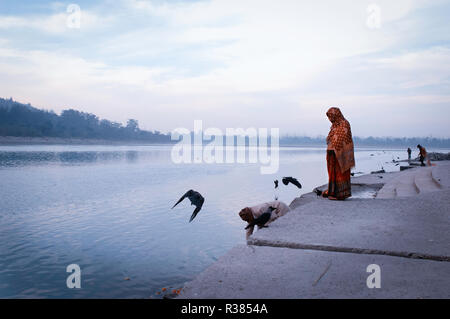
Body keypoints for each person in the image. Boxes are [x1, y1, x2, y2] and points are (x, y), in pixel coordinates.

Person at [321, 107, 355, 200]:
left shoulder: (345, 124)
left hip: (341, 153)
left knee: (341, 173)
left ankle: (341, 194)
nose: (330, 119)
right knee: (332, 173)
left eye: (331, 116)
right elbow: (331, 138)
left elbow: (345, 138)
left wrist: (336, 145)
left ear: (336, 115)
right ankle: (332, 192)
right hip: (331, 153)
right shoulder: (334, 126)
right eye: (329, 117)